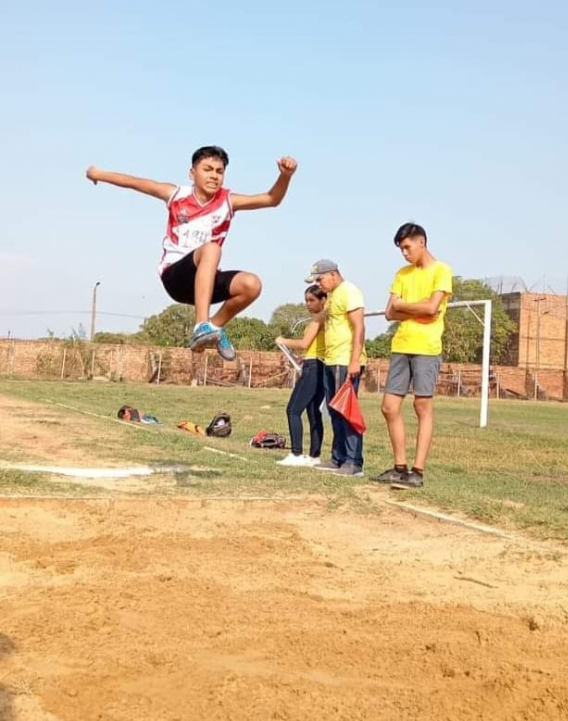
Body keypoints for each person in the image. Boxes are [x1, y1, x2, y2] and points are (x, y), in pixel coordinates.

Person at [86, 147, 297, 361]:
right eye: (207, 169)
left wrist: (285, 175)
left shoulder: (228, 201)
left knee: (252, 284)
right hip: (176, 276)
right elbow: (134, 182)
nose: (214, 176)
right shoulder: (176, 194)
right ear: (192, 173)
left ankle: (213, 328)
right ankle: (202, 326)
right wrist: (98, 174)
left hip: (204, 281)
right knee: (212, 248)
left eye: (219, 171)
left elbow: (271, 199)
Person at [376, 222, 453, 490]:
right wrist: (414, 309)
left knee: (421, 406)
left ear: (421, 242)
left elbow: (432, 308)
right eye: (401, 249)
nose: (405, 253)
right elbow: (389, 313)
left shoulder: (442, 270)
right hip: (401, 344)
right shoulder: (402, 274)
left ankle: (417, 471)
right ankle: (400, 467)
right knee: (389, 407)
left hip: (427, 347)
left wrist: (403, 306)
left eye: (407, 247)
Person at [307, 260, 366, 477]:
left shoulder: (349, 291)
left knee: (346, 411)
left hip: (345, 360)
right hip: (331, 360)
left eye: (320, 279)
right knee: (333, 411)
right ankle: (338, 457)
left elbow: (359, 326)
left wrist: (354, 360)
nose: (318, 284)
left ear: (332, 274)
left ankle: (353, 461)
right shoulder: (332, 296)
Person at [274, 286, 328, 467]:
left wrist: (283, 340)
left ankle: (296, 454)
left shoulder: (319, 318)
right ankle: (314, 456)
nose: (308, 304)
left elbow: (304, 343)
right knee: (313, 411)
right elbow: (313, 346)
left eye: (312, 300)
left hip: (314, 367)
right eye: (306, 300)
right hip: (319, 364)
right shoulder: (324, 318)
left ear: (323, 300)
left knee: (293, 409)